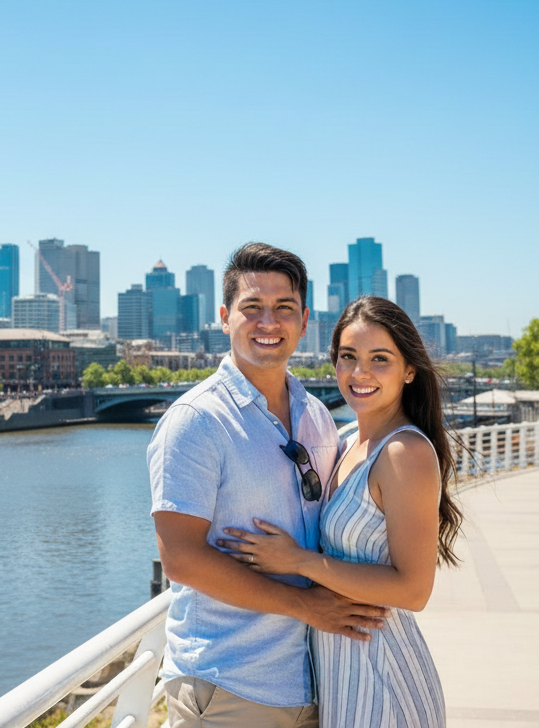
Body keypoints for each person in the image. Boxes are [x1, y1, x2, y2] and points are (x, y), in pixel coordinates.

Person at [147, 244, 389, 728]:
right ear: (224, 317)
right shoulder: (195, 421)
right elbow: (181, 558)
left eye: (283, 309)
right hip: (229, 683)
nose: (268, 322)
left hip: (313, 678)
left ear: (303, 320)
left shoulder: (318, 416)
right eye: (251, 308)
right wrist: (305, 605)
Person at [218, 296, 462, 728]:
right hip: (338, 676)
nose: (359, 373)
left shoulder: (406, 452)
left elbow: (413, 590)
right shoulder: (346, 440)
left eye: (379, 359)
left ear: (409, 370)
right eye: (348, 357)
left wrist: (297, 560)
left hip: (383, 677)